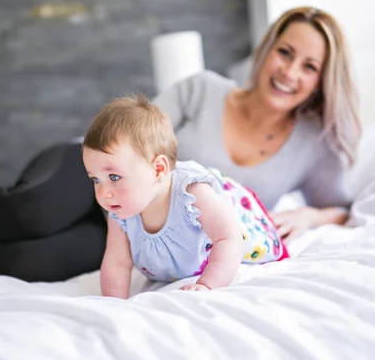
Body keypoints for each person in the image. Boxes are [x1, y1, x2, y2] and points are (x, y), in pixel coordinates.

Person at [0, 6, 361, 282]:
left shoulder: (313, 144)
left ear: (322, 80)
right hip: (92, 177)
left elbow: (341, 204)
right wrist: (106, 181)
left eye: (309, 65)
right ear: (267, 49)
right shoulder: (203, 89)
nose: (290, 71)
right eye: (285, 52)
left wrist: (312, 217)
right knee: (32, 212)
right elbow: (129, 137)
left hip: (135, 231)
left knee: (29, 263)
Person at [82, 95, 288, 298]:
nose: (103, 193)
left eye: (114, 176)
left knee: (241, 233)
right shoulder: (120, 212)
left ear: (158, 169)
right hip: (176, 266)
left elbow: (229, 237)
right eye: (95, 179)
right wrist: (113, 304)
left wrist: (208, 285)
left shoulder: (191, 193)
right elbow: (117, 262)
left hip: (231, 228)